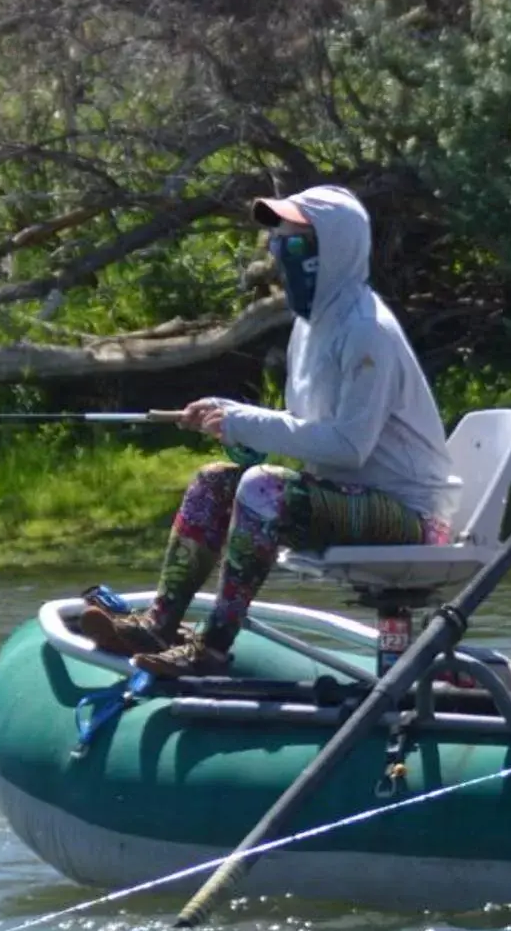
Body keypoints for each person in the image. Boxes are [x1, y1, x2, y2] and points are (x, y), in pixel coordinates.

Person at [74, 185, 457, 677]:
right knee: (215, 480)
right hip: (349, 496)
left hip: (410, 517)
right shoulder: (310, 328)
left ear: (333, 250)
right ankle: (158, 625)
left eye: (294, 243)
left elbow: (348, 446)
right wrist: (232, 420)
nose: (279, 254)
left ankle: (211, 648)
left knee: (263, 488)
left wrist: (247, 421)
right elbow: (307, 433)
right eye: (276, 242)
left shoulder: (367, 331)